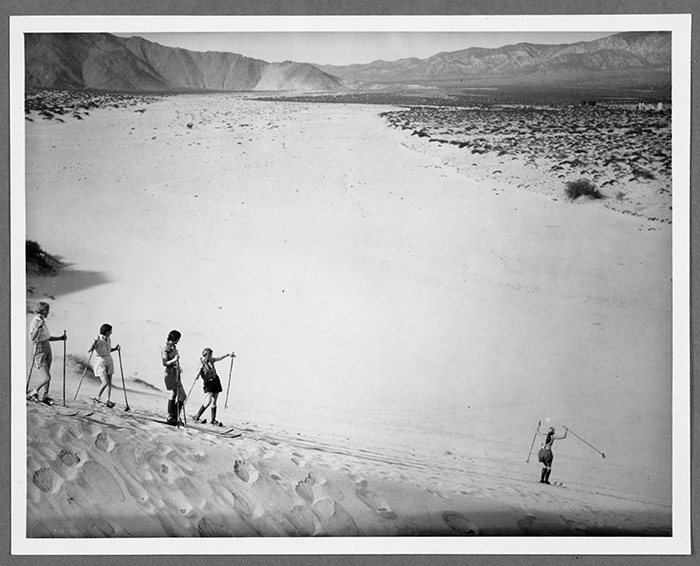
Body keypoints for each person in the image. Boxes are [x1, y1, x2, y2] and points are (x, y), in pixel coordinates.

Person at [27, 301, 66, 405]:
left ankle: (45, 396)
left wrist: (61, 338)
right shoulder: (35, 321)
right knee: (46, 377)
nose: (49, 312)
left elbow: (48, 338)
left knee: (48, 374)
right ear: (44, 310)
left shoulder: (42, 321)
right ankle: (33, 392)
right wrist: (38, 328)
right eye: (47, 310)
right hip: (39, 350)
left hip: (47, 348)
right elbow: (31, 338)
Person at [192, 348, 234, 426]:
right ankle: (197, 416)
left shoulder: (211, 360)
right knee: (208, 401)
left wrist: (227, 355)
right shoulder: (201, 363)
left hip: (215, 381)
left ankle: (213, 420)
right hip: (208, 383)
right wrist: (198, 373)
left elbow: (218, 358)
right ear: (207, 355)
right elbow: (195, 376)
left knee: (214, 401)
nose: (211, 357)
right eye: (210, 355)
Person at [88, 323, 119, 408]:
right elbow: (89, 350)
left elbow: (108, 350)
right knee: (105, 382)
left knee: (109, 382)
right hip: (100, 361)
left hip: (109, 360)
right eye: (110, 331)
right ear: (106, 331)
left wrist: (115, 348)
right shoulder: (98, 339)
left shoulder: (109, 339)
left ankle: (108, 400)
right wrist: (94, 341)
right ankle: (97, 398)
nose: (111, 333)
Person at [162, 330, 186, 426]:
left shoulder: (174, 348)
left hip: (175, 373)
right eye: (178, 339)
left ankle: (172, 417)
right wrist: (174, 360)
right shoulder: (166, 349)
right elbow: (164, 363)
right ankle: (173, 416)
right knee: (182, 395)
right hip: (170, 374)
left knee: (174, 394)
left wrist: (178, 366)